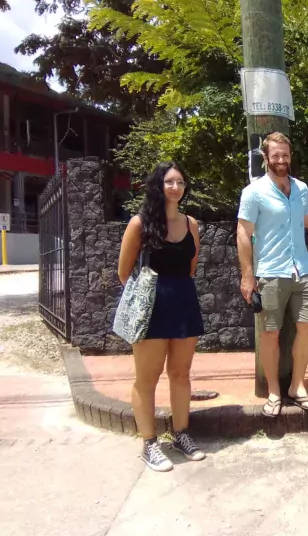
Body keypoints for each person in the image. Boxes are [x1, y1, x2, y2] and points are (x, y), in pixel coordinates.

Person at [237, 132, 308, 418]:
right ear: (266, 158)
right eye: (276, 156)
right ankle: (274, 391)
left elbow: (306, 220)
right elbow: (243, 233)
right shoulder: (254, 192)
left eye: (285, 155)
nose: (281, 160)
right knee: (270, 333)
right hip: (270, 272)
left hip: (302, 270)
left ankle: (297, 386)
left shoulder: (300, 188)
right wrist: (247, 276)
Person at [118, 161, 206, 472]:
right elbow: (123, 272)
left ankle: (182, 434)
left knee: (181, 374)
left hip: (183, 302)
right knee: (147, 378)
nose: (176, 188)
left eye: (180, 182)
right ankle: (149, 443)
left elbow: (191, 268)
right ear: (159, 185)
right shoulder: (139, 224)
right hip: (151, 307)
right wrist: (148, 299)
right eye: (170, 182)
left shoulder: (191, 223)